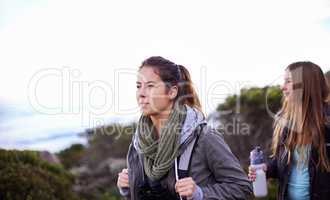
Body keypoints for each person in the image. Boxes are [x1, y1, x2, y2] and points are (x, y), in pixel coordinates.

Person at [117, 56, 252, 200]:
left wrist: (200, 194)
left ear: (172, 92)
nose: (141, 93)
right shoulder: (139, 144)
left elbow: (242, 187)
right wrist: (127, 189)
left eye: (150, 86)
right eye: (138, 86)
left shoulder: (204, 137)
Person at [248, 61, 330, 200]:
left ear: (306, 85)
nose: (282, 87)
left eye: (288, 81)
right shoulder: (285, 121)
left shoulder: (327, 122)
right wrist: (266, 168)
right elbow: (282, 161)